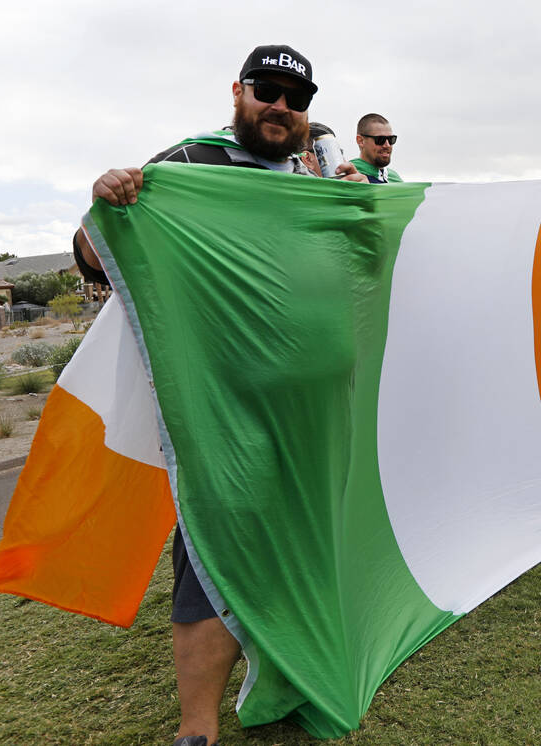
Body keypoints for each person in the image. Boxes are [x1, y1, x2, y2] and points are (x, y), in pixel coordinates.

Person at [72, 44, 366, 746]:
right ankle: (195, 727)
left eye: (296, 98)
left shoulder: (316, 179)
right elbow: (94, 253)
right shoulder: (189, 166)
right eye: (267, 90)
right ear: (239, 91)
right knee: (214, 543)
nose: (281, 107)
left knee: (307, 546)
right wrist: (105, 199)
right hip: (223, 410)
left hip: (318, 410)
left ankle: (294, 679)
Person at [350, 113, 402, 183]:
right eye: (380, 139)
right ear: (361, 141)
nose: (387, 145)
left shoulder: (396, 179)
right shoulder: (348, 175)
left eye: (391, 139)